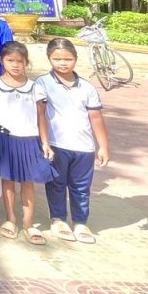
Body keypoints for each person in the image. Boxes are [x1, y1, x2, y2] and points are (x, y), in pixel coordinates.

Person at [36, 38, 110, 244]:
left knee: (81, 187)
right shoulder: (42, 83)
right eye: (57, 59)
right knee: (56, 184)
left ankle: (80, 222)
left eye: (68, 59)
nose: (62, 63)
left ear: (76, 59)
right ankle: (58, 219)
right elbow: (40, 115)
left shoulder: (87, 87)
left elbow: (95, 117)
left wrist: (103, 146)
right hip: (56, 144)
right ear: (49, 59)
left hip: (84, 147)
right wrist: (44, 142)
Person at [0, 41, 56, 246]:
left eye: (20, 61)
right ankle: (10, 219)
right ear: (1, 60)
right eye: (10, 60)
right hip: (5, 138)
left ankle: (28, 223)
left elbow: (41, 117)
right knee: (7, 180)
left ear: (26, 62)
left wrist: (45, 142)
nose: (15, 65)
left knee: (28, 181)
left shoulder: (35, 88)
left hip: (29, 139)